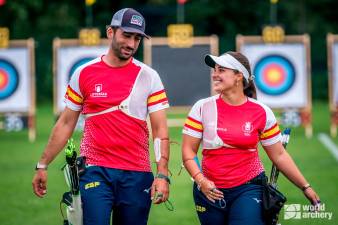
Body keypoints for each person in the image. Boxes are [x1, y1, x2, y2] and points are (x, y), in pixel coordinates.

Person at [32, 8, 171, 225]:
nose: (132, 44)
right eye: (126, 35)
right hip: (95, 170)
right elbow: (66, 122)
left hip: (137, 173)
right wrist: (43, 164)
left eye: (137, 38)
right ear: (110, 32)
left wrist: (162, 174)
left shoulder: (149, 77)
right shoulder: (84, 72)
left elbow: (161, 131)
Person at [181, 51, 320, 225]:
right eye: (214, 69)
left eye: (221, 70)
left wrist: (305, 187)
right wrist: (201, 181)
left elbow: (279, 155)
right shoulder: (201, 107)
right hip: (209, 190)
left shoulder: (261, 112)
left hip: (248, 188)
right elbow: (188, 151)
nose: (214, 74)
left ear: (239, 76)